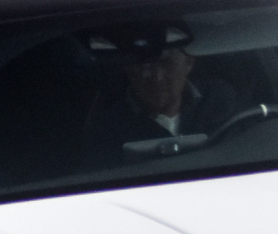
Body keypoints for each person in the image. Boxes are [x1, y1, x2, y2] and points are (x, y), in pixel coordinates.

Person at [81, 23, 240, 160]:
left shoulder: (219, 99)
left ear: (189, 63)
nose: (156, 77)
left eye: (166, 63)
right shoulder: (107, 128)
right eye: (144, 66)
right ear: (128, 69)